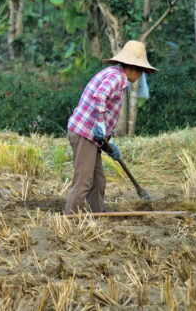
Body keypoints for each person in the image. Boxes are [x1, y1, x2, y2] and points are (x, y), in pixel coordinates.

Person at [64, 40, 158, 215]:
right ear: (133, 68)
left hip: (92, 136)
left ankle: (98, 216)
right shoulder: (116, 77)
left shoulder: (116, 76)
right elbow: (100, 96)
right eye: (141, 71)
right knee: (83, 181)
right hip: (85, 133)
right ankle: (69, 220)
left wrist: (108, 147)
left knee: (98, 182)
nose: (140, 76)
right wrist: (100, 123)